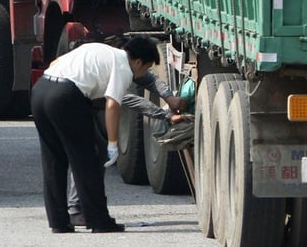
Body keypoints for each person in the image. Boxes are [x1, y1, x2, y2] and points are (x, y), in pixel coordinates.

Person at [31, 36, 159, 233]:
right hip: (65, 96)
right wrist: (113, 143)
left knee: (53, 160)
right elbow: (112, 104)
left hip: (41, 90)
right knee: (87, 160)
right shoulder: (124, 67)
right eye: (146, 68)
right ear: (138, 61)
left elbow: (55, 63)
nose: (143, 74)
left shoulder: (99, 50)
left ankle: (58, 222)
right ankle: (99, 221)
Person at [66, 67, 192, 227]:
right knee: (85, 154)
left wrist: (169, 97)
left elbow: (151, 79)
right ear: (137, 61)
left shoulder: (125, 63)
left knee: (95, 153)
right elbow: (127, 100)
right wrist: (166, 115)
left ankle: (86, 210)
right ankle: (77, 210)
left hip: (72, 98)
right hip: (71, 103)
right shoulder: (117, 69)